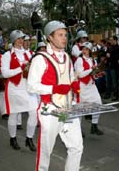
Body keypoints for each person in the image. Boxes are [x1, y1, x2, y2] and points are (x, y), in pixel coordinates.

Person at [27, 21, 83, 171]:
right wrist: (54, 88)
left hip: (66, 109)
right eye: (60, 35)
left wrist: (74, 85)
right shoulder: (40, 58)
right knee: (46, 151)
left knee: (76, 146)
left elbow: (70, 79)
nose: (64, 38)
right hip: (49, 110)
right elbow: (31, 86)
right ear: (49, 38)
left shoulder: (67, 57)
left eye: (65, 35)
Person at [1, 30, 38, 151]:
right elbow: (5, 73)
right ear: (13, 40)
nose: (21, 41)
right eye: (18, 39)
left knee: (34, 112)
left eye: (22, 38)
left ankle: (29, 138)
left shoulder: (28, 54)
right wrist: (20, 68)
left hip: (27, 87)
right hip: (14, 87)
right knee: (14, 113)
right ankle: (13, 138)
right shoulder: (7, 55)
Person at [74, 41, 104, 135]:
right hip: (82, 87)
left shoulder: (93, 60)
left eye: (86, 49)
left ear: (90, 51)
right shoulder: (79, 60)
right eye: (83, 48)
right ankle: (78, 130)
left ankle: (94, 126)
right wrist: (92, 69)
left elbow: (92, 75)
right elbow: (80, 75)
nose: (84, 50)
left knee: (98, 104)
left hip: (91, 86)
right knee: (80, 109)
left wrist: (98, 74)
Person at [105, 36, 119, 101]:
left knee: (114, 81)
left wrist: (110, 56)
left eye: (112, 40)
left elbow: (118, 58)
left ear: (115, 40)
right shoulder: (109, 47)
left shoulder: (118, 48)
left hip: (114, 67)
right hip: (108, 66)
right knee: (108, 81)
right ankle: (108, 93)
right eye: (110, 40)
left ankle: (116, 95)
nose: (111, 41)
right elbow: (106, 55)